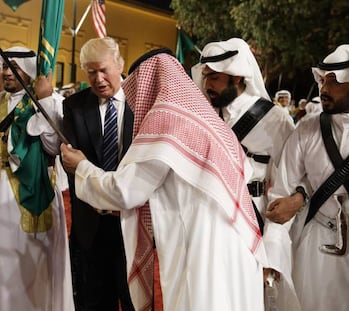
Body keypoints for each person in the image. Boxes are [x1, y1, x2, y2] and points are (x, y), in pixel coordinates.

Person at [61, 48, 267, 311]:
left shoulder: (166, 122)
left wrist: (81, 167)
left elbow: (125, 191)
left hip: (202, 250)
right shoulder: (207, 120)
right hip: (235, 245)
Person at [191, 38, 298, 310]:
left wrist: (271, 254)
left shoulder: (275, 119)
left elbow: (284, 187)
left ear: (237, 77)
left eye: (214, 77)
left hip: (255, 224)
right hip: (209, 223)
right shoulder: (203, 115)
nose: (207, 85)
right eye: (205, 77)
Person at [0, 47, 74, 311]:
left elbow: (54, 147)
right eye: (5, 67)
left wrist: (43, 103)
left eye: (15, 67)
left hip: (33, 191)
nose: (7, 72)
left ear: (29, 70)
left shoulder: (47, 100)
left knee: (32, 266)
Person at [265, 44, 349, 311]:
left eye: (334, 81)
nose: (324, 88)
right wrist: (274, 255)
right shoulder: (306, 129)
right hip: (318, 245)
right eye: (323, 79)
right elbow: (281, 194)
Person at [62, 37, 134, 311]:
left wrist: (122, 202)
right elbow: (72, 167)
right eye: (91, 72)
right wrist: (100, 201)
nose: (99, 78)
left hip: (132, 220)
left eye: (104, 70)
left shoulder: (144, 103)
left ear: (120, 65)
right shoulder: (75, 106)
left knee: (133, 301)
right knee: (93, 301)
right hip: (91, 224)